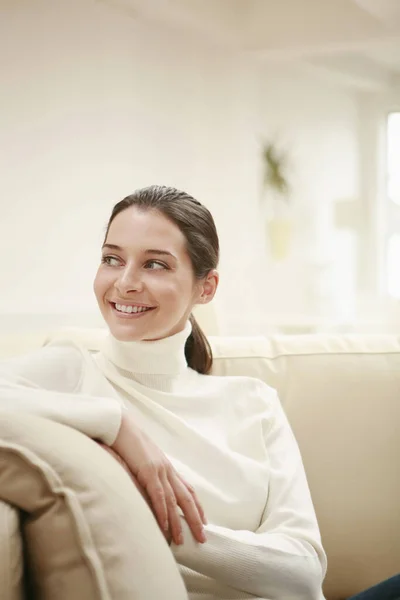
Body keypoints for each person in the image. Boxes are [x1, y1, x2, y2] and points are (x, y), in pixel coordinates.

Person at [0, 185, 327, 599]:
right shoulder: (70, 371)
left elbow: (303, 571)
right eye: (111, 259)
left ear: (205, 288)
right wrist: (118, 426)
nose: (125, 282)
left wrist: (164, 525)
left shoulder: (254, 402)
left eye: (154, 264)